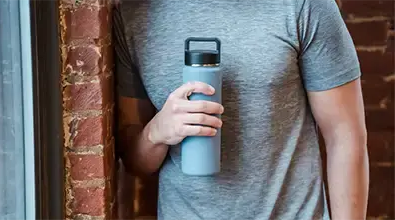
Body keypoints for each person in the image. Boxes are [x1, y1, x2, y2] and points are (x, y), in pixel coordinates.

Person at [113, 0, 368, 219]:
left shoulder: (304, 6)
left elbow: (344, 135)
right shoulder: (133, 15)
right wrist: (156, 133)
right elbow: (136, 162)